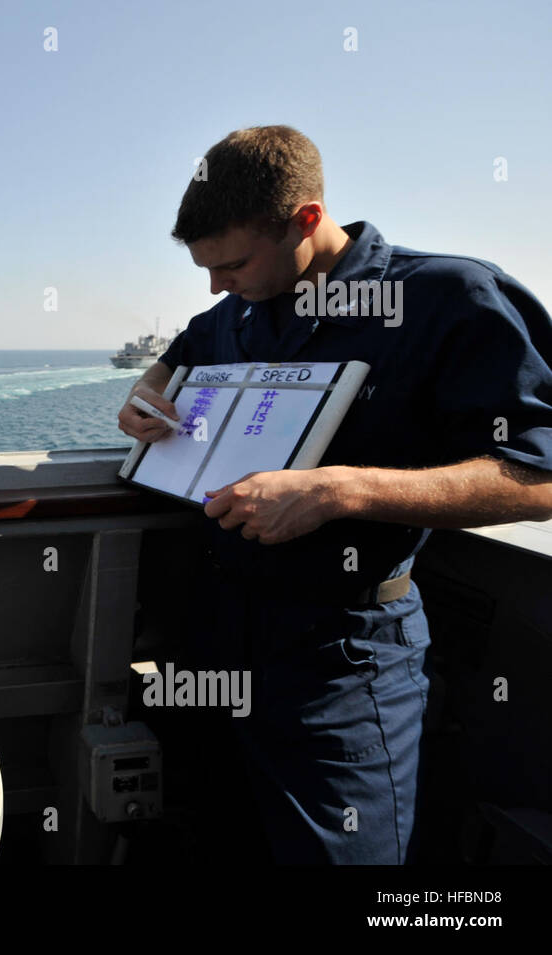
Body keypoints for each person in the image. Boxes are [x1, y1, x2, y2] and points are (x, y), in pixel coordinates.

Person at [118, 125, 552, 863]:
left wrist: (339, 490)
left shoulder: (450, 296)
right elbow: (189, 342)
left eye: (232, 263)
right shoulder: (244, 306)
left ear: (307, 220)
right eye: (206, 268)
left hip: (342, 657)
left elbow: (540, 476)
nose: (217, 285)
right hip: (222, 628)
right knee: (221, 832)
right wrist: (147, 388)